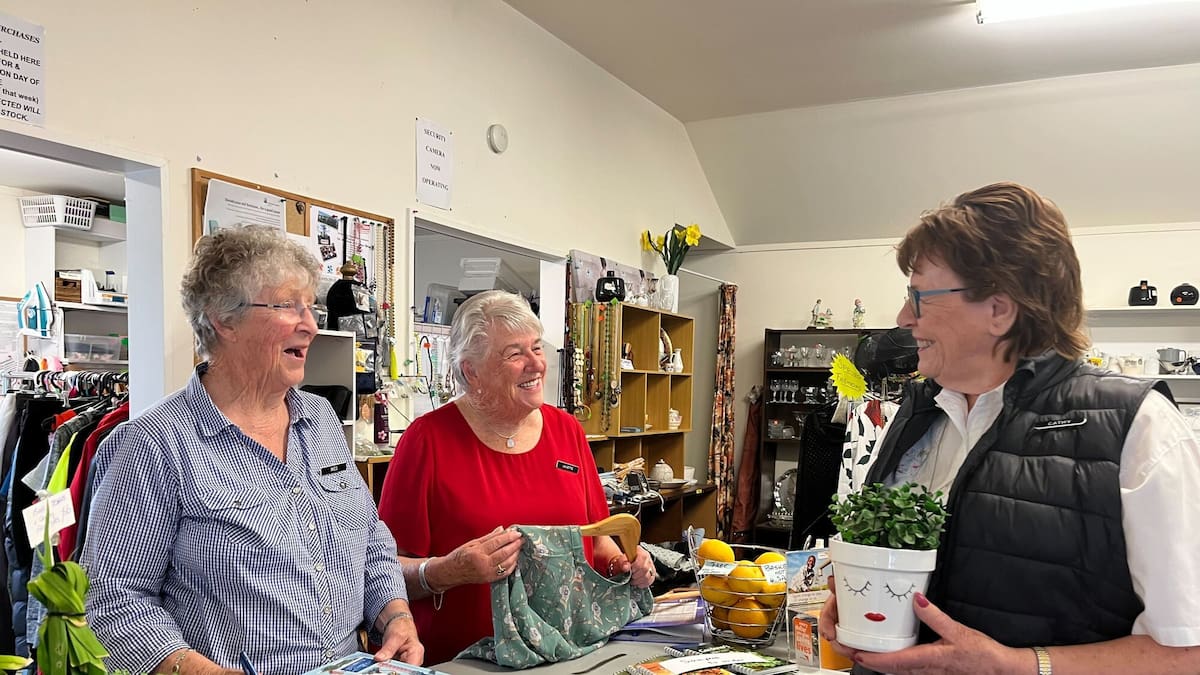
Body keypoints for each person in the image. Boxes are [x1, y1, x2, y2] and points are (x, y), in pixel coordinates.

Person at [821, 183, 1200, 675]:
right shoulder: (918, 414)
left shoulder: (1140, 428)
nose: (903, 319)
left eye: (919, 297)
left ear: (999, 309)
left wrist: (1016, 665)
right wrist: (862, 598)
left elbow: (1186, 651)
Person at [82, 226, 423, 675]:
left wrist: (395, 615)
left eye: (310, 306)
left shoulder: (320, 419)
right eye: (287, 306)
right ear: (223, 319)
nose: (311, 324)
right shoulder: (154, 445)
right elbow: (112, 601)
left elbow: (370, 539)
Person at [378, 290, 655, 664]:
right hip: (466, 663)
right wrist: (450, 570)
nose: (536, 364)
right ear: (470, 371)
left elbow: (595, 537)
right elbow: (383, 570)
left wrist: (621, 564)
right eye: (514, 353)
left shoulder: (567, 431)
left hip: (567, 655)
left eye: (537, 348)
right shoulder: (427, 440)